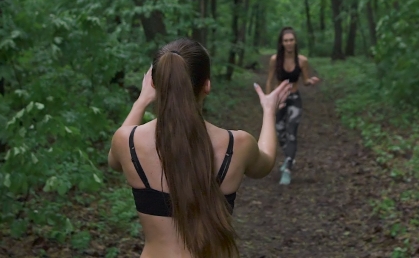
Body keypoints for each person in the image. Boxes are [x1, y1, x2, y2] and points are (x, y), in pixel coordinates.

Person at [108, 38, 291, 258]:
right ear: (207, 85)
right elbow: (266, 162)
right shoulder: (238, 144)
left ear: (156, 85)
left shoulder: (126, 142)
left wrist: (141, 100)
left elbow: (114, 160)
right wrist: (269, 111)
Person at [265, 27, 320, 186]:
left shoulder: (302, 60)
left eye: (291, 40)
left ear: (295, 42)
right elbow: (269, 80)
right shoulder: (275, 60)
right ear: (281, 43)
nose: (289, 43)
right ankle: (289, 156)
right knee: (279, 131)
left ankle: (287, 168)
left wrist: (311, 82)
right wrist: (269, 99)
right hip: (280, 99)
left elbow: (305, 80)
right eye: (286, 40)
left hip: (295, 99)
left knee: (292, 133)